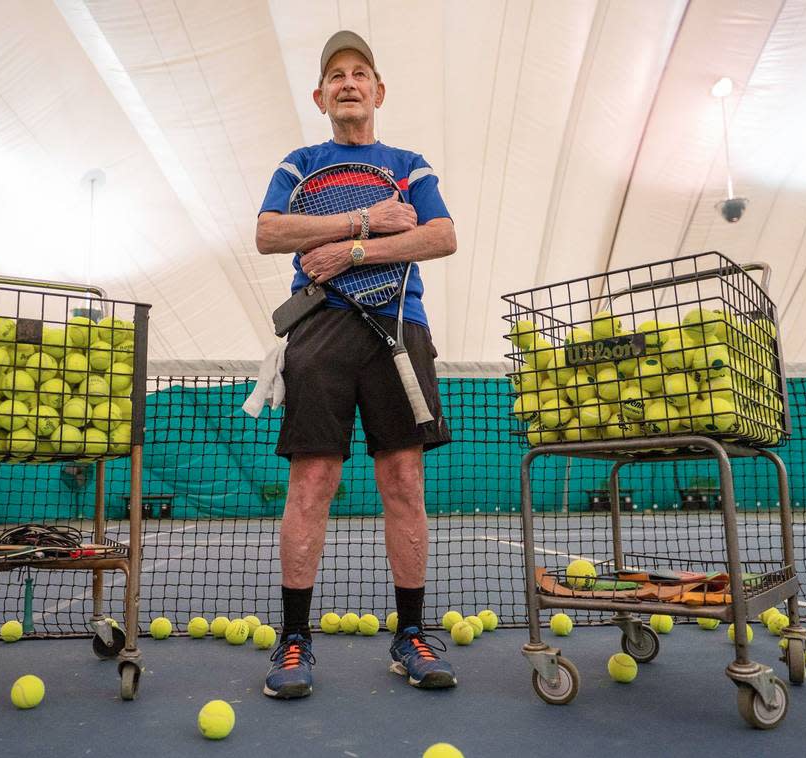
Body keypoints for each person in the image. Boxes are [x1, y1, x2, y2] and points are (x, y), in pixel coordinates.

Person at [254, 30, 458, 699]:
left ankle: (412, 635)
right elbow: (269, 232)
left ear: (378, 90)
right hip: (318, 331)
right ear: (320, 95)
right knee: (312, 481)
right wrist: (369, 219)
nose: (348, 82)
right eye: (336, 74)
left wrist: (352, 252)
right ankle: (294, 640)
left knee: (403, 478)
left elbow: (441, 235)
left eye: (360, 72)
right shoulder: (299, 163)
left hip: (401, 328)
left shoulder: (410, 164)